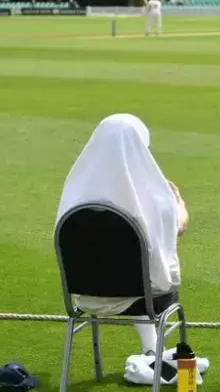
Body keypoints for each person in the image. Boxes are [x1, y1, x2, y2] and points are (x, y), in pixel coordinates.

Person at [55, 114, 189, 355]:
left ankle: (152, 352)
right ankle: (158, 356)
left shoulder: (75, 192)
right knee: (143, 273)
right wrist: (179, 205)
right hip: (143, 295)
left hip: (86, 295)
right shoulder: (157, 198)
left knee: (127, 269)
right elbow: (178, 228)